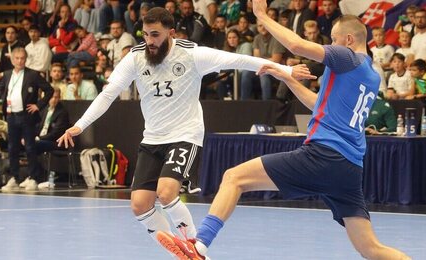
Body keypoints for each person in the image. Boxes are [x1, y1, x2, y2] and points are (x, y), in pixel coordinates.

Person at [157, 1, 411, 259]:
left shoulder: (347, 58)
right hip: (349, 168)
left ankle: (198, 247)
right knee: (370, 248)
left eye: (333, 40)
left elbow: (298, 46)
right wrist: (287, 78)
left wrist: (262, 16)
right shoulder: (370, 75)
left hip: (324, 155)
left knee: (234, 178)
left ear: (347, 39)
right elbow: (319, 105)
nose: (330, 45)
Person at [56, 7, 313, 256]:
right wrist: (80, 124)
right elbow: (108, 94)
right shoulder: (136, 57)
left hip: (185, 134)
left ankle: (194, 249)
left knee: (167, 192)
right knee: (139, 205)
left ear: (172, 32)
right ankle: (182, 255)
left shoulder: (192, 55)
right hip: (153, 138)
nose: (149, 41)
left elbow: (238, 60)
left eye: (155, 34)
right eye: (145, 35)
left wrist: (287, 70)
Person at [0, 47, 54, 191]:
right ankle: (14, 177)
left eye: (22, 58)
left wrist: (38, 105)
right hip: (11, 115)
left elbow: (49, 90)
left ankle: (33, 177)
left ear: (26, 59)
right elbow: (1, 88)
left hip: (26, 116)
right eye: (17, 58)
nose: (20, 61)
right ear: (12, 59)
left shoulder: (32, 75)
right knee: (12, 148)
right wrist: (5, 102)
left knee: (30, 147)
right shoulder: (7, 74)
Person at [19, 87, 70, 190]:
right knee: (27, 145)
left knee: (32, 145)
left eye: (56, 97)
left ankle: (34, 177)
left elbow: (55, 133)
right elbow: (36, 126)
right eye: (51, 97)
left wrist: (37, 138)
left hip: (55, 142)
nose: (53, 100)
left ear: (59, 98)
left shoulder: (62, 113)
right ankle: (33, 176)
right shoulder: (43, 110)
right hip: (41, 141)